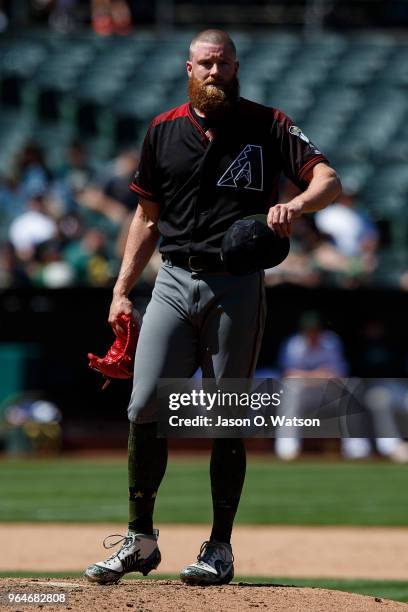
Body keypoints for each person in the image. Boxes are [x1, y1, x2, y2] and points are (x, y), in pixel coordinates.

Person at [84, 29, 341, 586]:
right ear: (188, 68)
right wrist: (121, 289)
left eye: (223, 62)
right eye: (205, 63)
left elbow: (329, 179)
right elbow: (147, 217)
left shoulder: (267, 123)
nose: (214, 71)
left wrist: (293, 204)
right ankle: (140, 539)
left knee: (227, 416)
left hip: (237, 285)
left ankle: (219, 547)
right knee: (144, 404)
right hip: (174, 279)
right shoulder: (163, 129)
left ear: (236, 66)